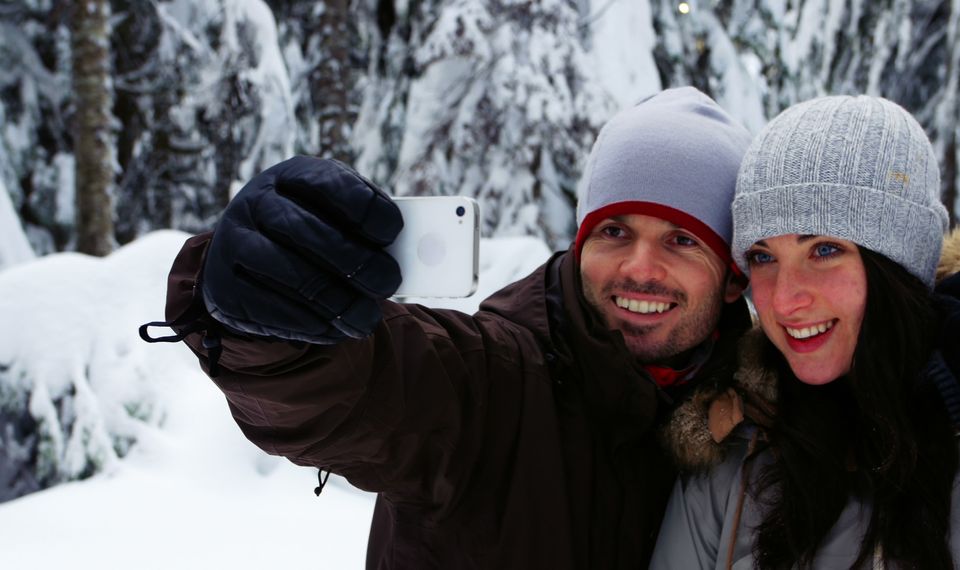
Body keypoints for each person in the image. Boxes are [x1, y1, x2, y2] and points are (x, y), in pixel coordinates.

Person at [141, 87, 755, 569]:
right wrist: (267, 315)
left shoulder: (767, 419)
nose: (638, 269)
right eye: (614, 232)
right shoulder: (497, 382)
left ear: (732, 277)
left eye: (681, 241)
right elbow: (355, 386)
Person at [650, 95, 960, 569]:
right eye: (763, 257)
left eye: (824, 249)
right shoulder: (732, 454)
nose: (785, 298)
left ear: (898, 265)